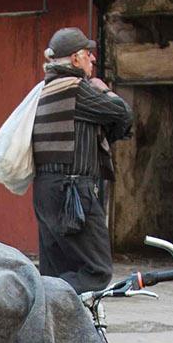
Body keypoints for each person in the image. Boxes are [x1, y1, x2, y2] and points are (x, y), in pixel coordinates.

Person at [30, 26, 133, 293]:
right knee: (96, 271)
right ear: (75, 59)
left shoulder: (45, 89)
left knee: (56, 272)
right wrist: (104, 90)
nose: (93, 59)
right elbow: (122, 114)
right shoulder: (77, 90)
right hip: (73, 193)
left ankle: (52, 324)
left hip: (46, 191)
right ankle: (36, 299)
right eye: (88, 54)